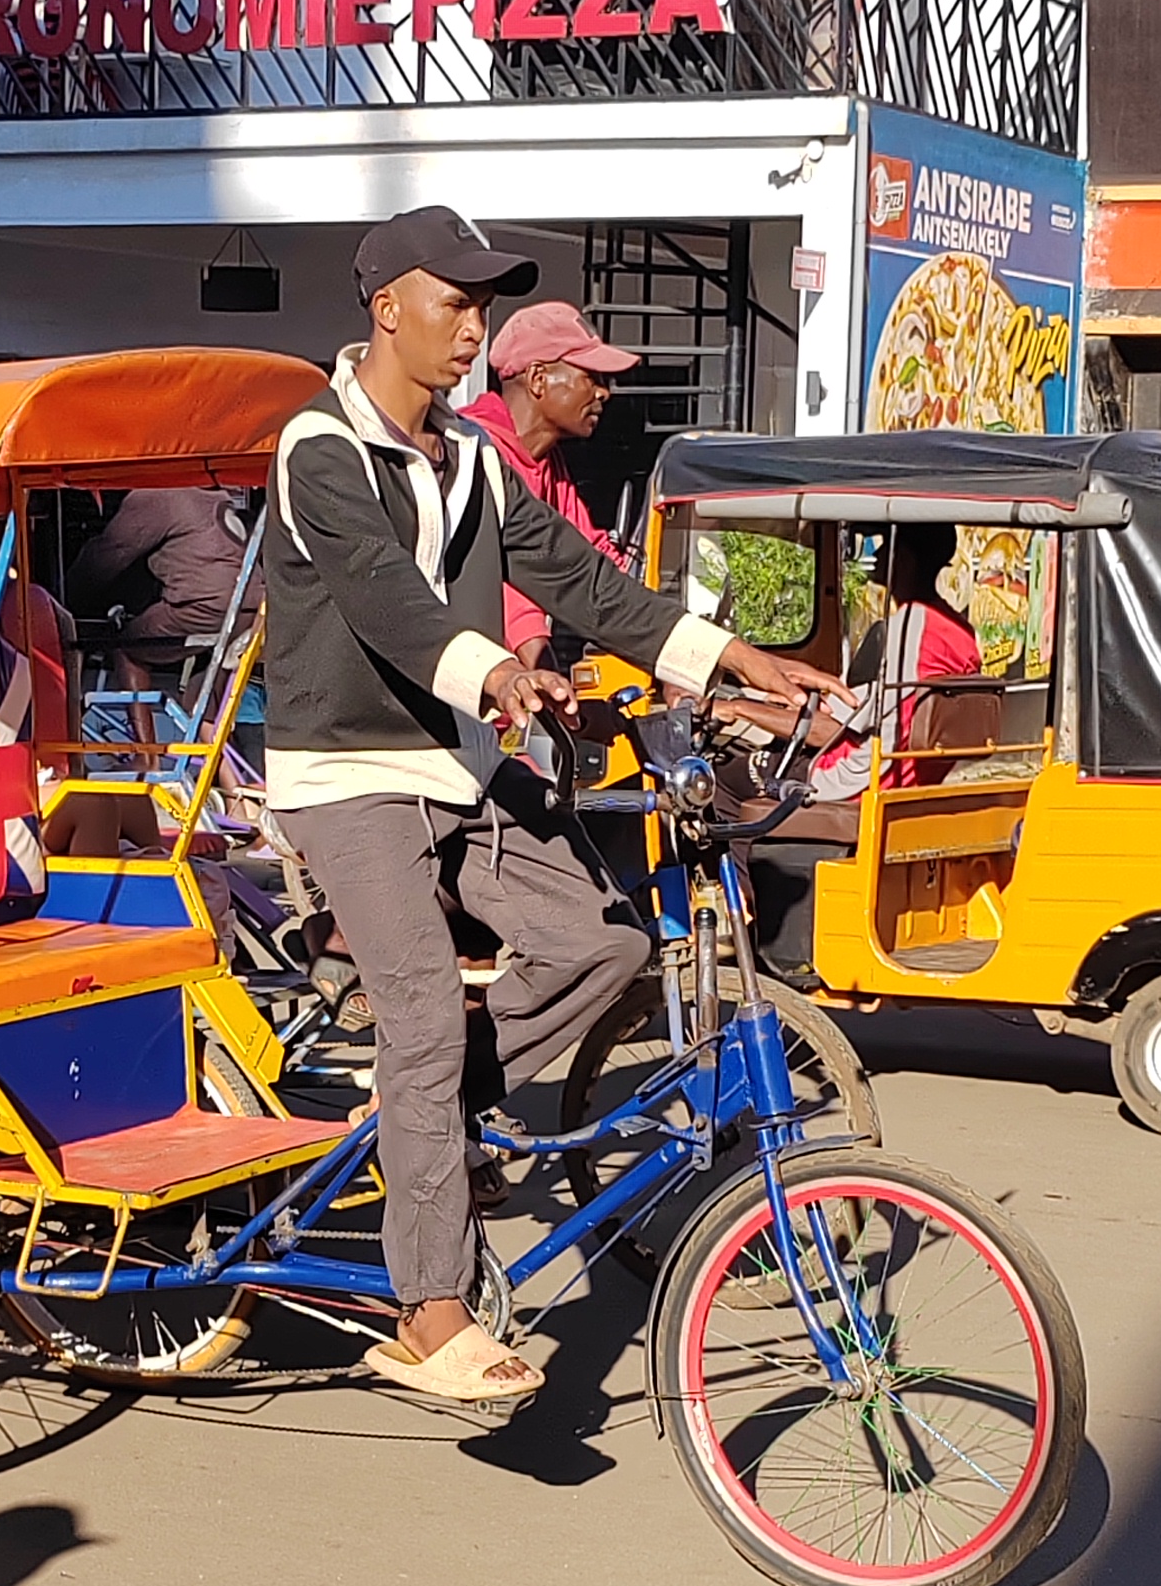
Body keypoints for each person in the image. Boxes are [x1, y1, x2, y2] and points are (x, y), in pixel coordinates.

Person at [264, 204, 820, 1405]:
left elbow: (576, 576)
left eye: (483, 306)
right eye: (456, 304)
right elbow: (388, 605)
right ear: (387, 311)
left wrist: (726, 658)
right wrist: (500, 669)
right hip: (352, 775)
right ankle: (430, 1310)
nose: (476, 328)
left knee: (604, 938)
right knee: (418, 1012)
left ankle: (431, 1120)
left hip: (455, 762)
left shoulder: (469, 455)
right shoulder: (317, 447)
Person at [748, 524, 978, 984]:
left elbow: (874, 718)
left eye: (885, 545)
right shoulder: (959, 628)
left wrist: (740, 706)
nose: (875, 554)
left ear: (905, 557)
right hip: (913, 775)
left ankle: (757, 931)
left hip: (866, 777)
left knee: (735, 787)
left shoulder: (913, 623)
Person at [472, 299, 639, 649]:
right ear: (538, 379)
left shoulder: (549, 462)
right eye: (591, 376)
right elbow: (497, 580)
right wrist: (541, 665)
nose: (604, 393)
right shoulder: (472, 449)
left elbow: (592, 554)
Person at [61, 483, 251, 695]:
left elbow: (111, 552)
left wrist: (64, 596)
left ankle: (140, 729)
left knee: (127, 647)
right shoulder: (213, 495)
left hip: (208, 605)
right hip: (252, 603)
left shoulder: (157, 494)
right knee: (204, 686)